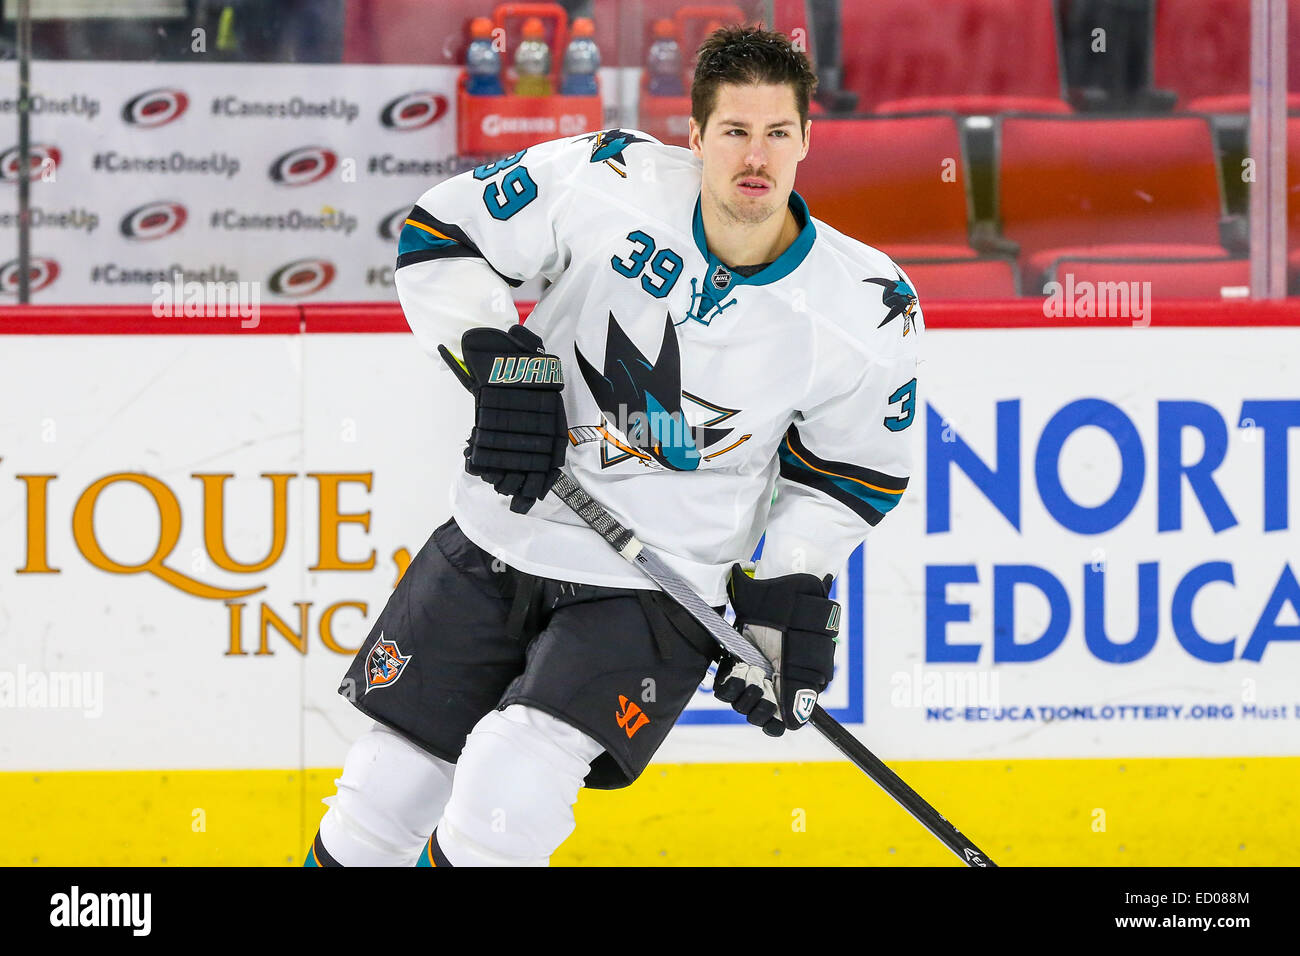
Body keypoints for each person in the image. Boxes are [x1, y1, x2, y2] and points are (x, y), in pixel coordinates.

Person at [306, 25, 922, 868]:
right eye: (735, 131)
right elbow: (443, 236)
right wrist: (495, 357)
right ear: (696, 135)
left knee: (507, 795)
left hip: (656, 586)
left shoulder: (863, 305)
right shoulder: (607, 178)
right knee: (384, 793)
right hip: (500, 532)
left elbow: (853, 474)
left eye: (779, 133)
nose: (757, 156)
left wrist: (788, 586)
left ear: (807, 140)